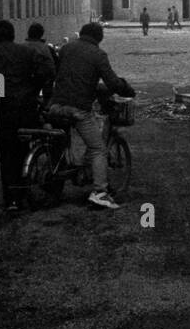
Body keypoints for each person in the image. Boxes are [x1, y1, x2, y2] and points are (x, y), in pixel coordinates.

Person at [0, 20, 55, 214]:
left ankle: (12, 199)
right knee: (25, 147)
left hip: (4, 111)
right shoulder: (27, 52)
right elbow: (47, 72)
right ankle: (26, 188)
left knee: (7, 154)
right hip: (27, 109)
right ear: (13, 34)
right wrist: (33, 89)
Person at [48, 22, 135, 210]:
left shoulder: (65, 48)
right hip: (77, 108)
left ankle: (67, 175)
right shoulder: (98, 54)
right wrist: (126, 88)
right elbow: (112, 82)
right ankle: (100, 192)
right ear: (99, 38)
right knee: (98, 149)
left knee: (62, 140)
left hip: (55, 105)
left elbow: (66, 74)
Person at [24, 23, 59, 97]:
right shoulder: (46, 48)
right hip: (43, 80)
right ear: (41, 34)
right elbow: (53, 67)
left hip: (25, 82)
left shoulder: (21, 47)